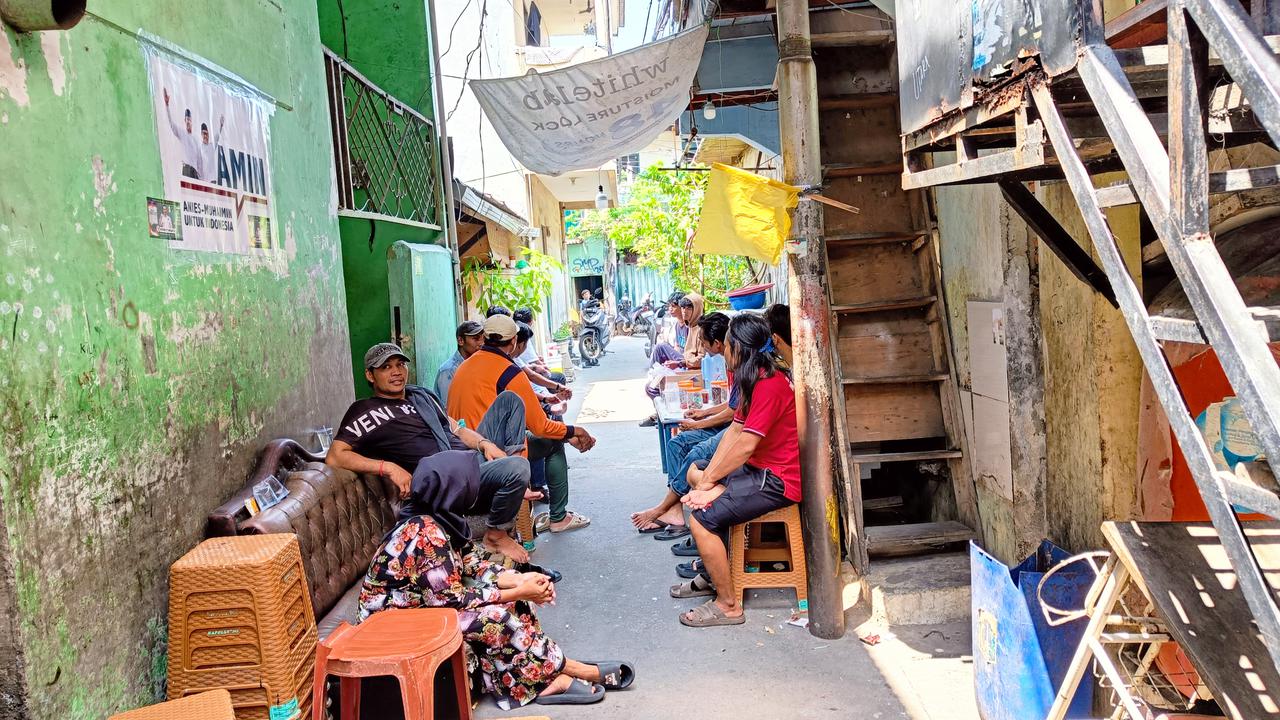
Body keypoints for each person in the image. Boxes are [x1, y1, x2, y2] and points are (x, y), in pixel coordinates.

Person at [358, 488, 634, 709]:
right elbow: (452, 600)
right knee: (495, 619)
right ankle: (574, 669)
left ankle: (537, 677)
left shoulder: (444, 519)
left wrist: (521, 580)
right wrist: (520, 590)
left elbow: (474, 565)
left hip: (425, 605)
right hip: (392, 620)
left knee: (514, 603)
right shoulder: (425, 532)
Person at [326, 342, 535, 562]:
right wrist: (387, 467)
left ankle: (515, 485)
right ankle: (497, 534)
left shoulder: (420, 396)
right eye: (386, 367)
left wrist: (484, 443)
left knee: (509, 401)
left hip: (470, 460)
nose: (396, 372)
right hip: (451, 481)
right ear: (370, 375)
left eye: (400, 365)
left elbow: (456, 429)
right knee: (518, 467)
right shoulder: (366, 412)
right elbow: (335, 455)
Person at [670, 313, 801, 627]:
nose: (721, 351)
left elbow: (745, 445)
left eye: (727, 346)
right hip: (757, 470)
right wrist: (707, 481)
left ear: (739, 349)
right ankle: (711, 573)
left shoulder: (769, 383)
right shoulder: (753, 377)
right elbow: (733, 433)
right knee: (694, 471)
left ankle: (728, 604)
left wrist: (712, 483)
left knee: (701, 520)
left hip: (777, 480)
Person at [448, 315, 597, 534]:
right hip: (488, 455)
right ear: (514, 342)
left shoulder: (465, 365)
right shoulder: (508, 372)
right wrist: (576, 431)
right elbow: (541, 427)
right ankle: (558, 517)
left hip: (462, 449)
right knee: (553, 443)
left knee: (552, 435)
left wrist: (568, 433)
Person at [630, 313, 735, 539]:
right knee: (676, 444)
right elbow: (733, 404)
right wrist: (702, 413)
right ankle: (675, 512)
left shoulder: (739, 362)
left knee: (696, 453)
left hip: (737, 428)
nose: (702, 347)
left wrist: (701, 422)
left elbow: (735, 413)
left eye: (704, 342)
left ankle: (662, 508)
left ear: (717, 343)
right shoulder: (730, 362)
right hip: (734, 423)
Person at [436, 320, 485, 400]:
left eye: (483, 339)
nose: (481, 343)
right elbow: (448, 407)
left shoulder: (477, 363)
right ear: (461, 341)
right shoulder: (448, 371)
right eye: (476, 339)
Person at [161, 88, 201, 179]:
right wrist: (167, 106)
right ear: (184, 121)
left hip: (195, 172)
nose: (188, 122)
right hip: (186, 169)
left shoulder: (195, 140)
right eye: (187, 120)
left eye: (189, 120)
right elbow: (171, 124)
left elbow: (199, 160)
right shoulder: (182, 133)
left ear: (192, 122)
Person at [196, 115, 224, 182]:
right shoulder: (199, 148)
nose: (205, 136)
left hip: (212, 180)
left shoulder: (211, 146)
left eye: (206, 133)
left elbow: (217, 137)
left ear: (208, 134)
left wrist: (221, 125)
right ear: (201, 135)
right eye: (203, 134)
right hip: (204, 181)